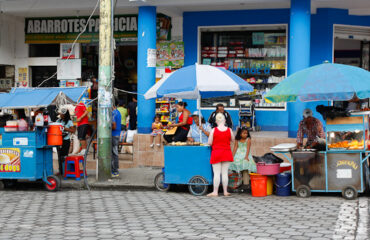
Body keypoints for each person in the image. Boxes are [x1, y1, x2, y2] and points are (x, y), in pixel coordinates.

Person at [207, 113, 234, 197]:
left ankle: (215, 192)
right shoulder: (229, 130)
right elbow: (233, 140)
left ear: (216, 121)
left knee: (217, 173)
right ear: (225, 121)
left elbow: (209, 142)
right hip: (226, 152)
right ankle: (225, 191)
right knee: (225, 173)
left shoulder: (213, 130)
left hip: (216, 153)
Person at [56, 108, 75, 176]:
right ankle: (61, 171)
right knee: (59, 156)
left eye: (62, 114)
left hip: (66, 141)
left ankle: (65, 171)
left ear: (65, 115)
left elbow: (73, 131)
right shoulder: (58, 121)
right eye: (60, 113)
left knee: (64, 156)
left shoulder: (69, 122)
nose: (60, 115)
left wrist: (65, 128)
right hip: (58, 140)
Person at [111, 105, 122, 177]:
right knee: (115, 152)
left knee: (114, 153)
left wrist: (107, 128)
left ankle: (115, 170)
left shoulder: (113, 113)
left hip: (113, 135)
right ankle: (115, 170)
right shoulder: (118, 112)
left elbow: (114, 126)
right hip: (117, 134)